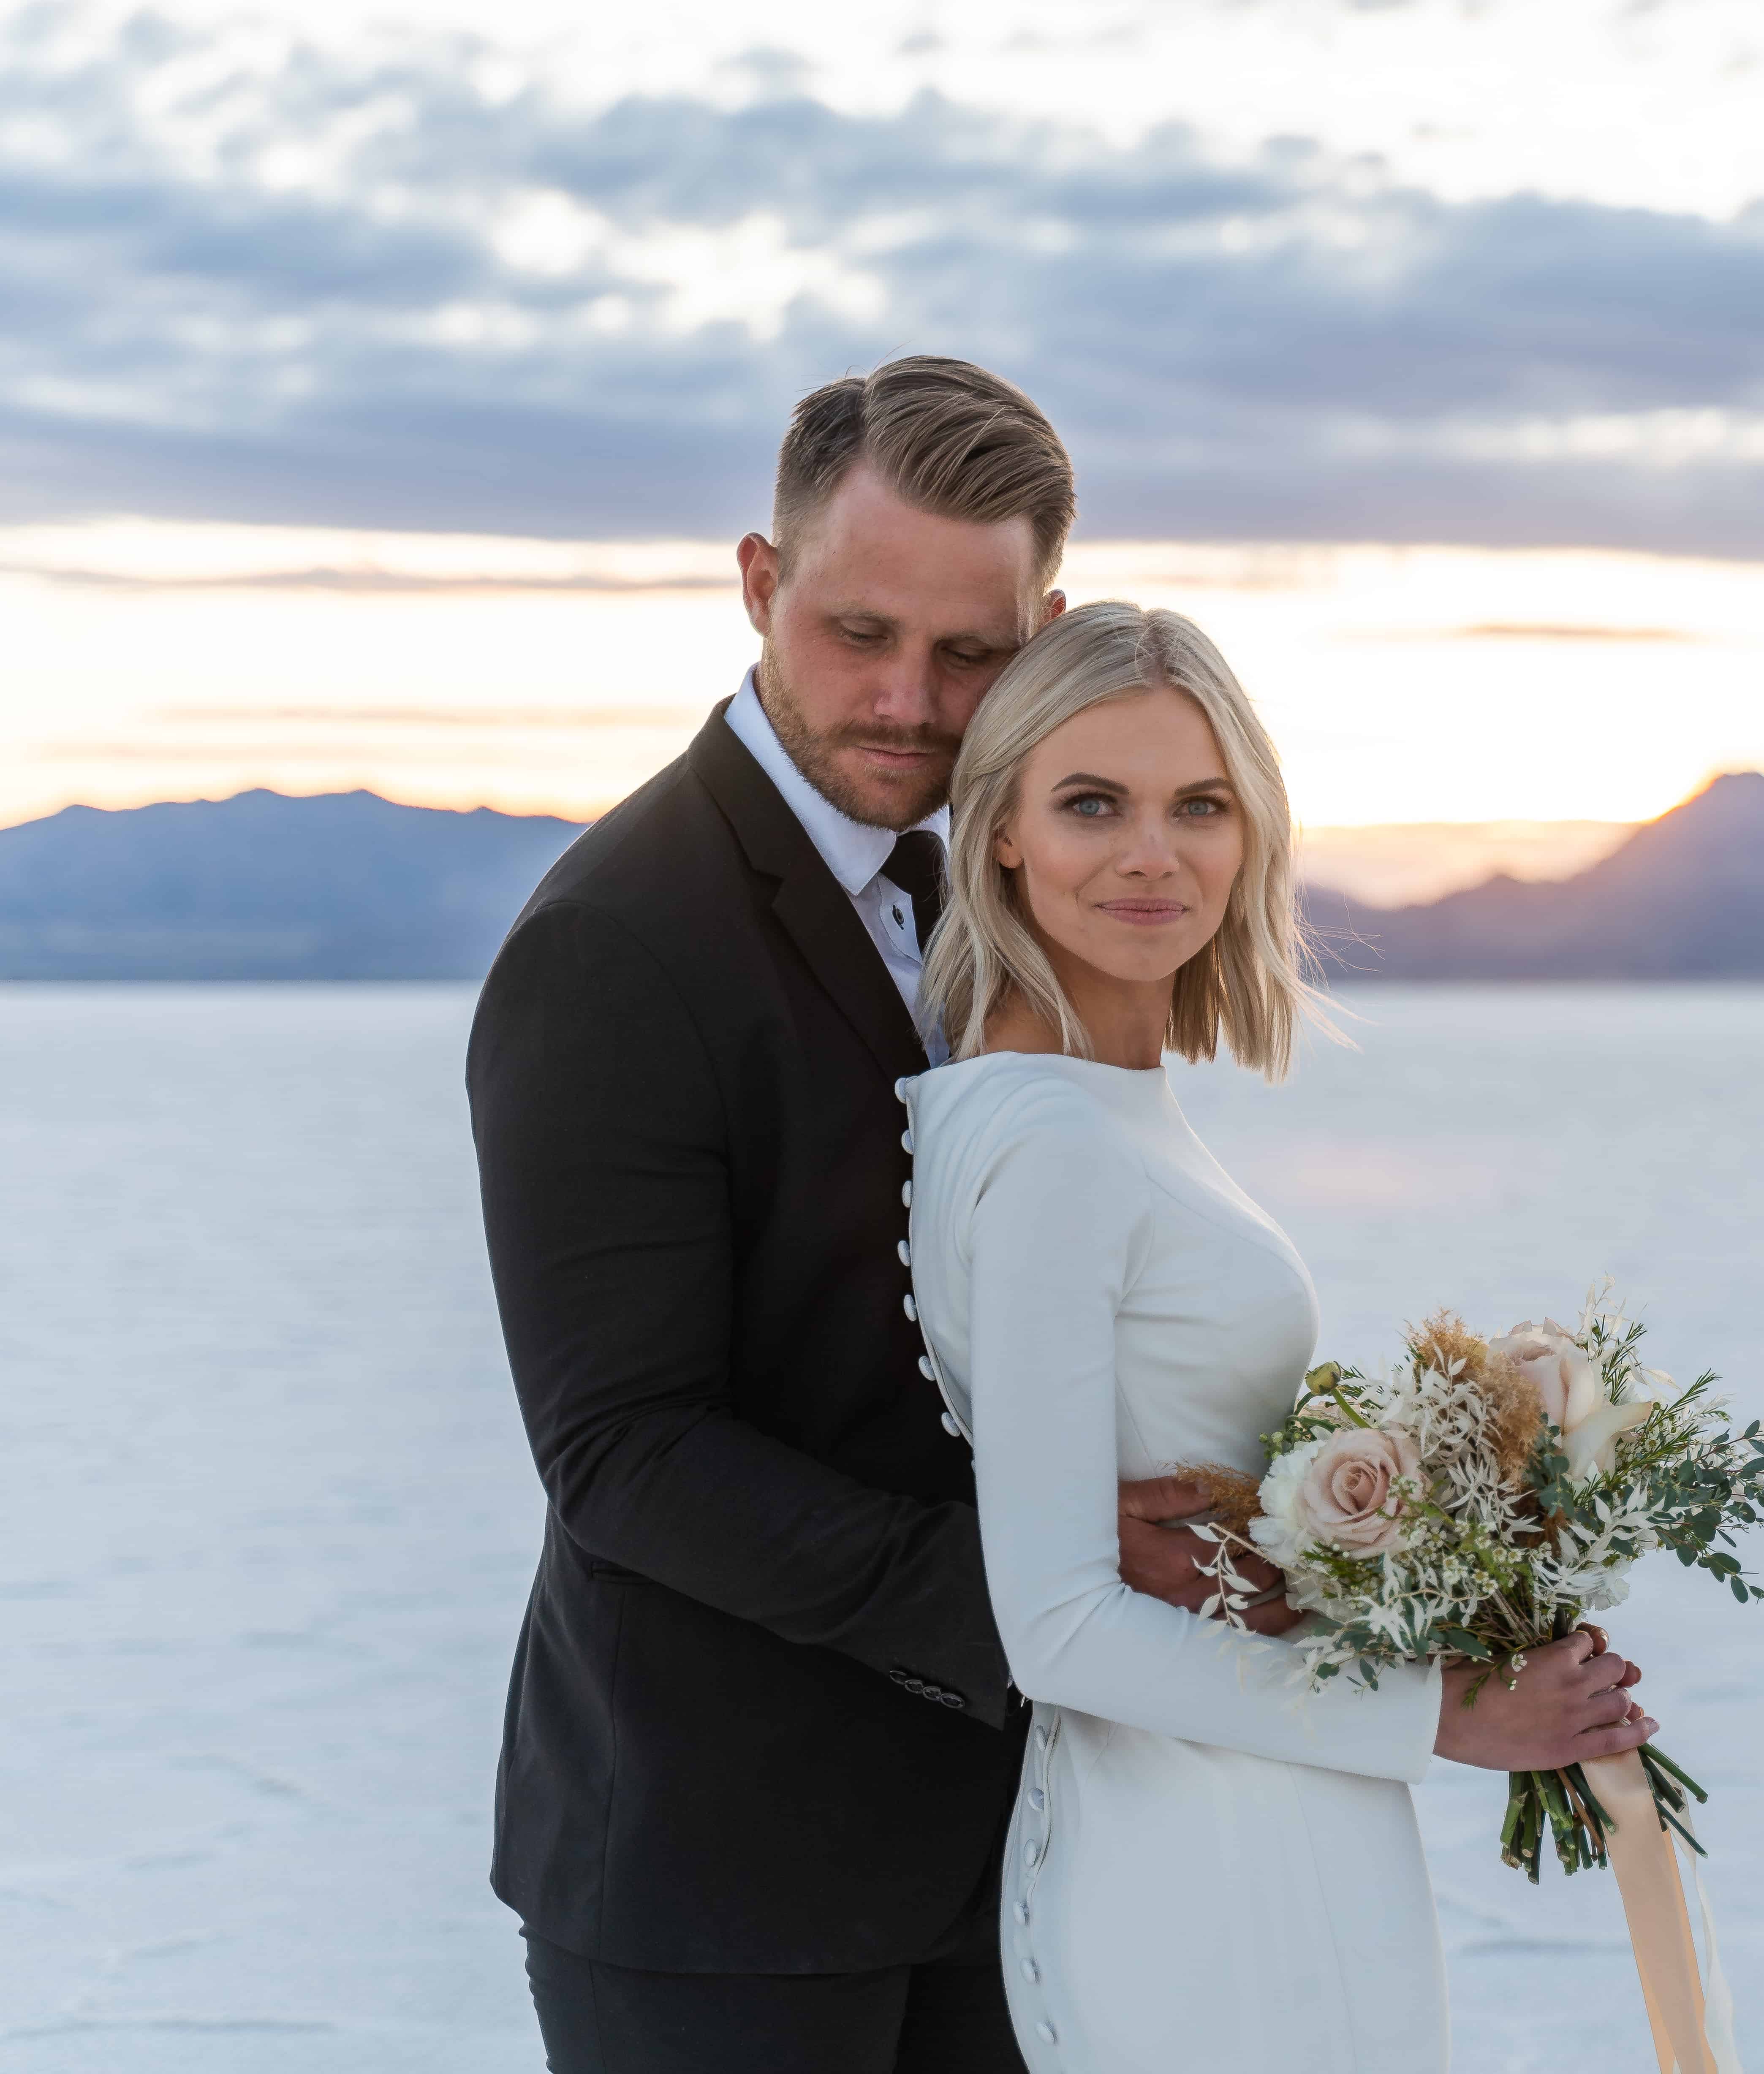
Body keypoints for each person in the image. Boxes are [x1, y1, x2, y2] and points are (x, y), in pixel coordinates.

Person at [467, 358, 1310, 2074]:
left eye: (969, 653)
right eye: (859, 633)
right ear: (761, 586)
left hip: (1013, 1851)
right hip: (724, 1880)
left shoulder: (1003, 892)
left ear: (1044, 626)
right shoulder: (616, 947)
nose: (909, 703)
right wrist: (1046, 1577)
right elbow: (623, 1451)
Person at [900, 602, 1653, 2071]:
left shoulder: (1097, 1107)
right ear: (998, 833)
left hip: (1261, 1800)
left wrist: (1413, 1553)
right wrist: (1439, 1710)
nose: (1151, 854)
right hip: (1192, 1844)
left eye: (1201, 805)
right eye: (1090, 804)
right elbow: (1054, 1625)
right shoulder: (1052, 1137)